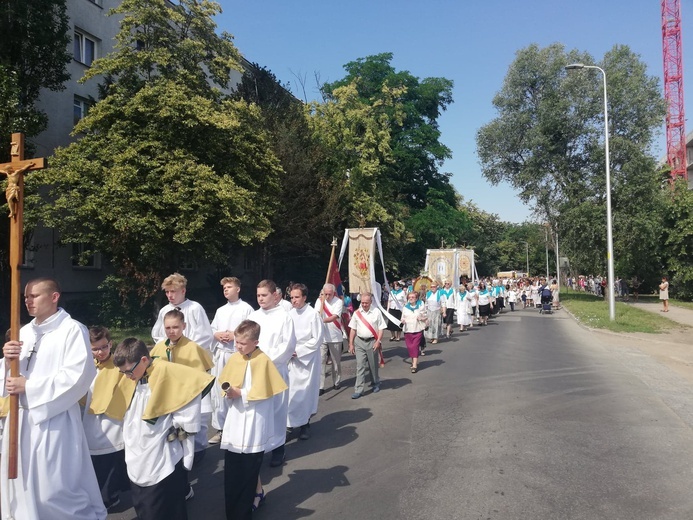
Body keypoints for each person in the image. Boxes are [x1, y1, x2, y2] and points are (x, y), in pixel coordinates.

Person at [1, 278, 107, 519]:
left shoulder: (72, 330)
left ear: (54, 297)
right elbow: (7, 378)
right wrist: (7, 363)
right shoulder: (24, 332)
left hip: (53, 420)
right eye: (26, 296)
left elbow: (79, 375)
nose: (27, 301)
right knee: (19, 484)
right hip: (19, 420)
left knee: (53, 487)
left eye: (34, 296)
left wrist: (30, 387)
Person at [110, 338, 214, 520]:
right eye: (122, 372)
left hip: (161, 452)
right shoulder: (133, 376)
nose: (126, 376)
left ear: (143, 360)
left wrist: (181, 427)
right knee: (143, 505)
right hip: (136, 451)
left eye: (128, 371)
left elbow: (188, 393)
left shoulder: (166, 372)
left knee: (164, 508)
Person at [218, 320, 288, 519]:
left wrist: (242, 393)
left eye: (242, 343)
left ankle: (244, 509)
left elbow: (266, 391)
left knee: (249, 470)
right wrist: (229, 391)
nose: (238, 346)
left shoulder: (263, 360)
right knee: (233, 470)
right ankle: (232, 510)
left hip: (254, 422)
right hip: (236, 420)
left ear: (256, 342)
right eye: (237, 342)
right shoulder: (235, 358)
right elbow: (224, 381)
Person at [150, 309, 214, 471]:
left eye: (175, 327)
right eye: (168, 328)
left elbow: (199, 376)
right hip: (167, 396)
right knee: (170, 431)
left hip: (186, 397)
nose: (171, 331)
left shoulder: (192, 348)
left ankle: (191, 459)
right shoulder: (159, 347)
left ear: (184, 326)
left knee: (187, 431)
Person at [248, 280, 296, 467]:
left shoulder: (284, 317)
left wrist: (266, 361)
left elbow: (288, 345)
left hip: (275, 370)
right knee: (259, 411)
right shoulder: (253, 316)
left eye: (264, 295)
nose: (260, 299)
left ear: (274, 295)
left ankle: (278, 449)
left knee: (277, 410)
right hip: (255, 371)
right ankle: (260, 448)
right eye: (258, 295)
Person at [83, 326, 129, 511]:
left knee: (111, 459)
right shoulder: (86, 366)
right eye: (95, 348)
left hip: (112, 421)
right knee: (94, 462)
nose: (100, 352)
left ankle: (110, 495)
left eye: (104, 347)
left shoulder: (119, 367)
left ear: (110, 344)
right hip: (89, 420)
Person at [209, 276, 253, 444]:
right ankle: (221, 429)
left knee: (235, 391)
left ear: (238, 289)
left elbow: (250, 332)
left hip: (237, 356)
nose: (225, 290)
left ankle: (237, 428)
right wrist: (217, 335)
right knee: (219, 393)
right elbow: (212, 330)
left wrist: (233, 335)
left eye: (229, 287)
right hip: (221, 355)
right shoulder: (221, 310)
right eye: (224, 288)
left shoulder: (246, 309)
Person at [287, 283, 324, 440]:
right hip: (291, 359)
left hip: (306, 360)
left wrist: (299, 351)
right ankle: (288, 425)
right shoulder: (289, 314)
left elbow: (317, 339)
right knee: (290, 393)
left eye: (297, 297)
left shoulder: (313, 314)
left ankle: (304, 425)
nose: (294, 300)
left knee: (305, 393)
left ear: (304, 297)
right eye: (291, 297)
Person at [151, 272, 214, 351]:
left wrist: (188, 349)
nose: (169, 295)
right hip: (170, 352)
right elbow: (157, 334)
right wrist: (167, 346)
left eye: (173, 291)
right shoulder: (164, 311)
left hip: (191, 353)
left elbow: (205, 334)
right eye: (167, 292)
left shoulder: (195, 308)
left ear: (183, 291)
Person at [348, 293, 387, 399]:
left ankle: (375, 383)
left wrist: (378, 341)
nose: (364, 305)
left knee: (373, 365)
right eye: (362, 302)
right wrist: (351, 344)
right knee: (360, 366)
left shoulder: (376, 312)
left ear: (371, 302)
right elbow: (353, 329)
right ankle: (359, 390)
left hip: (372, 341)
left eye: (366, 303)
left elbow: (381, 328)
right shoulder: (357, 313)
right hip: (359, 342)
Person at [315, 283, 344, 395]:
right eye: (325, 294)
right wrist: (318, 315)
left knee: (335, 362)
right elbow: (316, 314)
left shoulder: (338, 302)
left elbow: (334, 317)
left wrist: (321, 320)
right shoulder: (320, 301)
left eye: (329, 294)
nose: (327, 296)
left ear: (333, 293)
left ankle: (336, 381)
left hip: (335, 336)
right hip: (322, 336)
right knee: (321, 361)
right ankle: (321, 386)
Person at [400, 291, 427, 374]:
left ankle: (414, 365)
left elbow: (425, 316)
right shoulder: (405, 307)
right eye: (409, 297)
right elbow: (402, 318)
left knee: (415, 346)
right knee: (410, 347)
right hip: (408, 330)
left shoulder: (420, 307)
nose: (411, 298)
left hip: (417, 329)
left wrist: (421, 318)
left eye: (413, 297)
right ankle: (413, 361)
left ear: (416, 299)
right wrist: (403, 321)